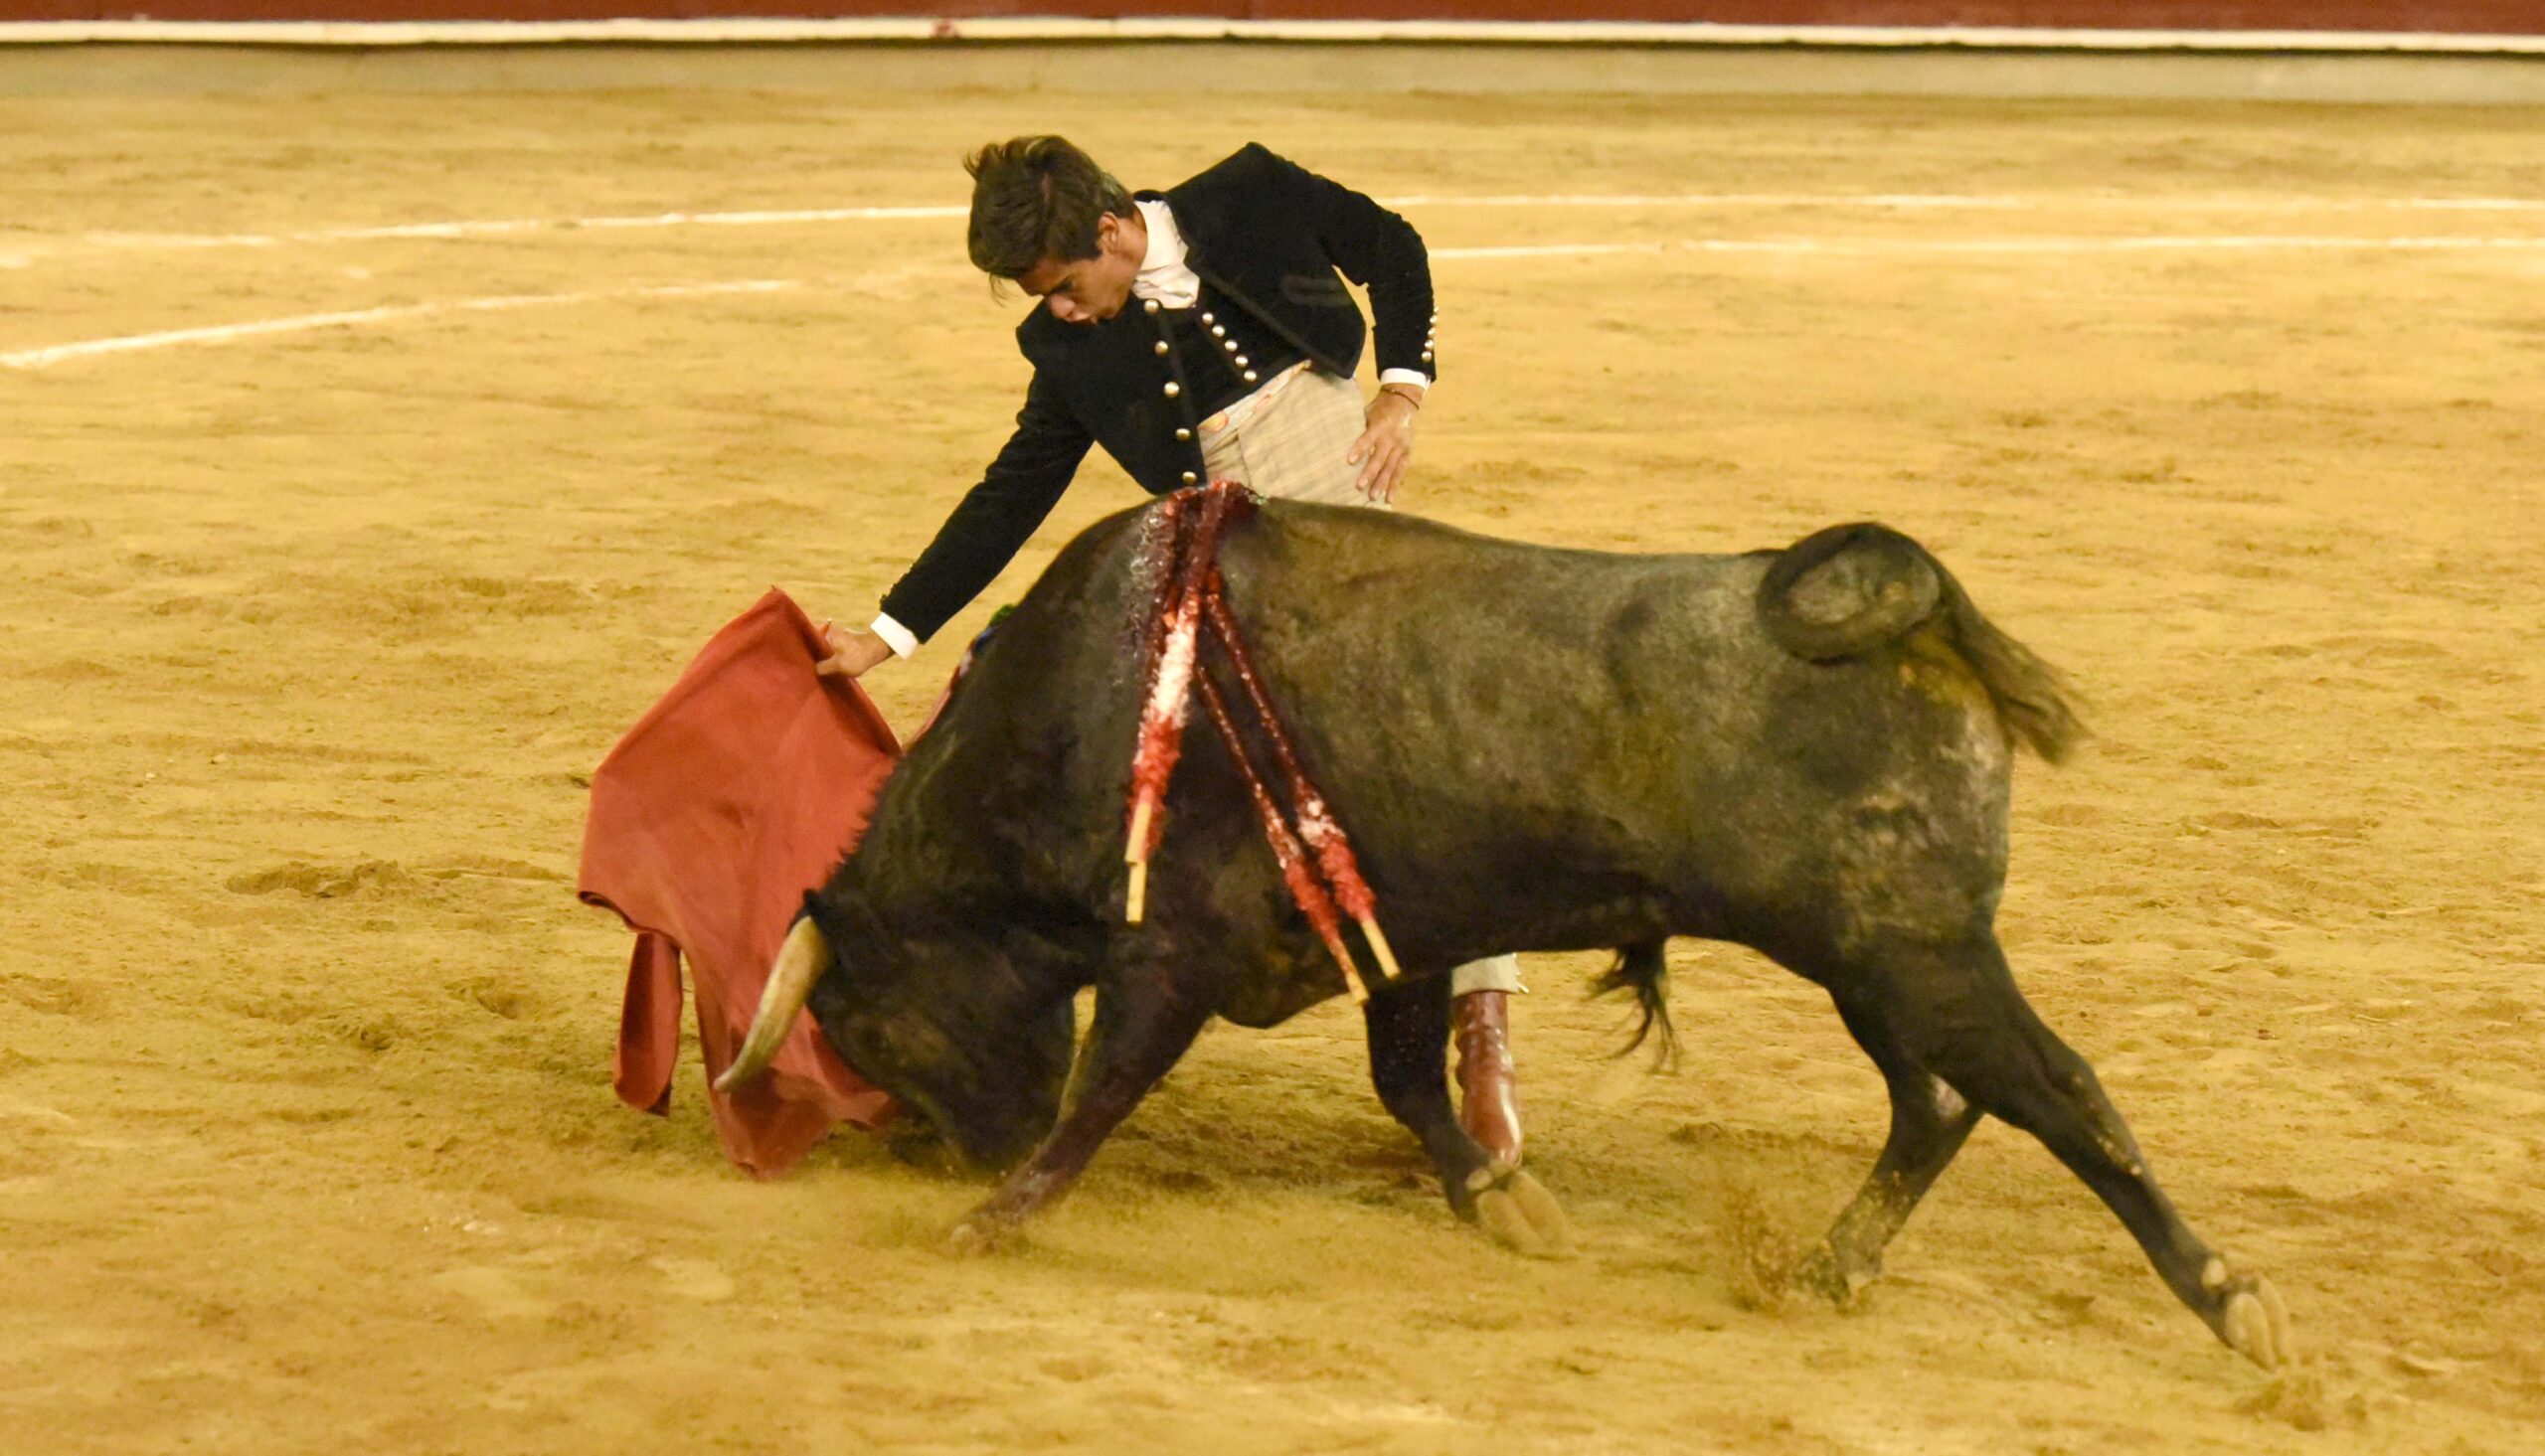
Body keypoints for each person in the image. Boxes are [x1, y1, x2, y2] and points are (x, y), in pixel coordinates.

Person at [818, 135, 1527, 1167]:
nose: (1061, 311)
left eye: (1066, 286)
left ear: (1111, 231)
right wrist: (890, 629)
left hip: (1335, 502)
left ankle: (1484, 1030)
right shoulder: (1062, 348)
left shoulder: (1252, 195)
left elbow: (1393, 245)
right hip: (1215, 552)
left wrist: (1402, 388)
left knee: (1431, 758)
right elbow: (1015, 489)